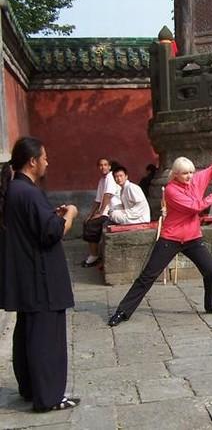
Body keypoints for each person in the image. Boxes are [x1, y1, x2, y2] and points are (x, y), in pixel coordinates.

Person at [0, 137, 81, 412]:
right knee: (47, 338)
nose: (48, 162)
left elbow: (36, 223)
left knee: (28, 333)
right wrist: (69, 214)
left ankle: (31, 388)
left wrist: (51, 214)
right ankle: (49, 397)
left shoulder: (16, 190)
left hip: (27, 275)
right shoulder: (28, 192)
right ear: (32, 161)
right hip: (41, 276)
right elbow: (52, 232)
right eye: (44, 157)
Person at [107, 157, 212, 327]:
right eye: (184, 173)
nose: (189, 176)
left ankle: (211, 304)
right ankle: (122, 312)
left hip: (193, 237)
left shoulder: (196, 178)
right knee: (148, 276)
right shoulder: (171, 190)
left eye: (191, 172)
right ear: (175, 174)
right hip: (171, 238)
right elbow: (195, 207)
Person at [81, 158, 121, 267]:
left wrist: (100, 212)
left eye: (105, 165)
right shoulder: (102, 180)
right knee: (87, 221)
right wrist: (90, 214)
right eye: (100, 165)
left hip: (113, 210)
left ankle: (94, 256)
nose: (103, 167)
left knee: (92, 224)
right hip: (105, 211)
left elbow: (107, 195)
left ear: (109, 167)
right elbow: (98, 200)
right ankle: (94, 253)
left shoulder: (111, 177)